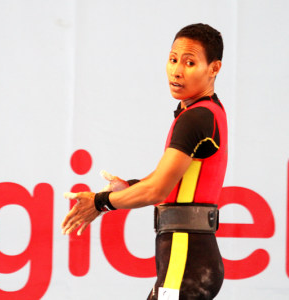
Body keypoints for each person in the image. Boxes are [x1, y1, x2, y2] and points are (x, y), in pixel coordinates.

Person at [62, 23, 227, 300]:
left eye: (189, 62)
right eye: (173, 59)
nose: (176, 70)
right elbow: (167, 180)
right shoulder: (204, 112)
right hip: (187, 259)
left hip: (184, 259)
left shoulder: (196, 117)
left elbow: (157, 191)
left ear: (214, 68)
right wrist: (127, 186)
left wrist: (101, 202)